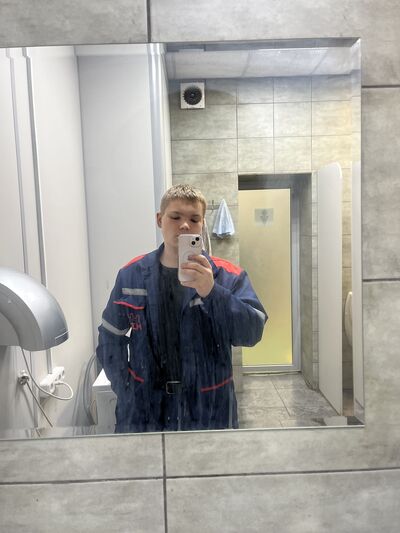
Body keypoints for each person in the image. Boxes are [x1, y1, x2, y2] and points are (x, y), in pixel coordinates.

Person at [96, 184, 267, 433]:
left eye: (194, 219)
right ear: (159, 219)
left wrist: (212, 292)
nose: (185, 225)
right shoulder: (131, 275)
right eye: (175, 217)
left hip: (209, 410)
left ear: (202, 225)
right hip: (144, 410)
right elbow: (110, 337)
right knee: (145, 460)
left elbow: (252, 332)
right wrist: (127, 389)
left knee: (209, 461)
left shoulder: (227, 276)